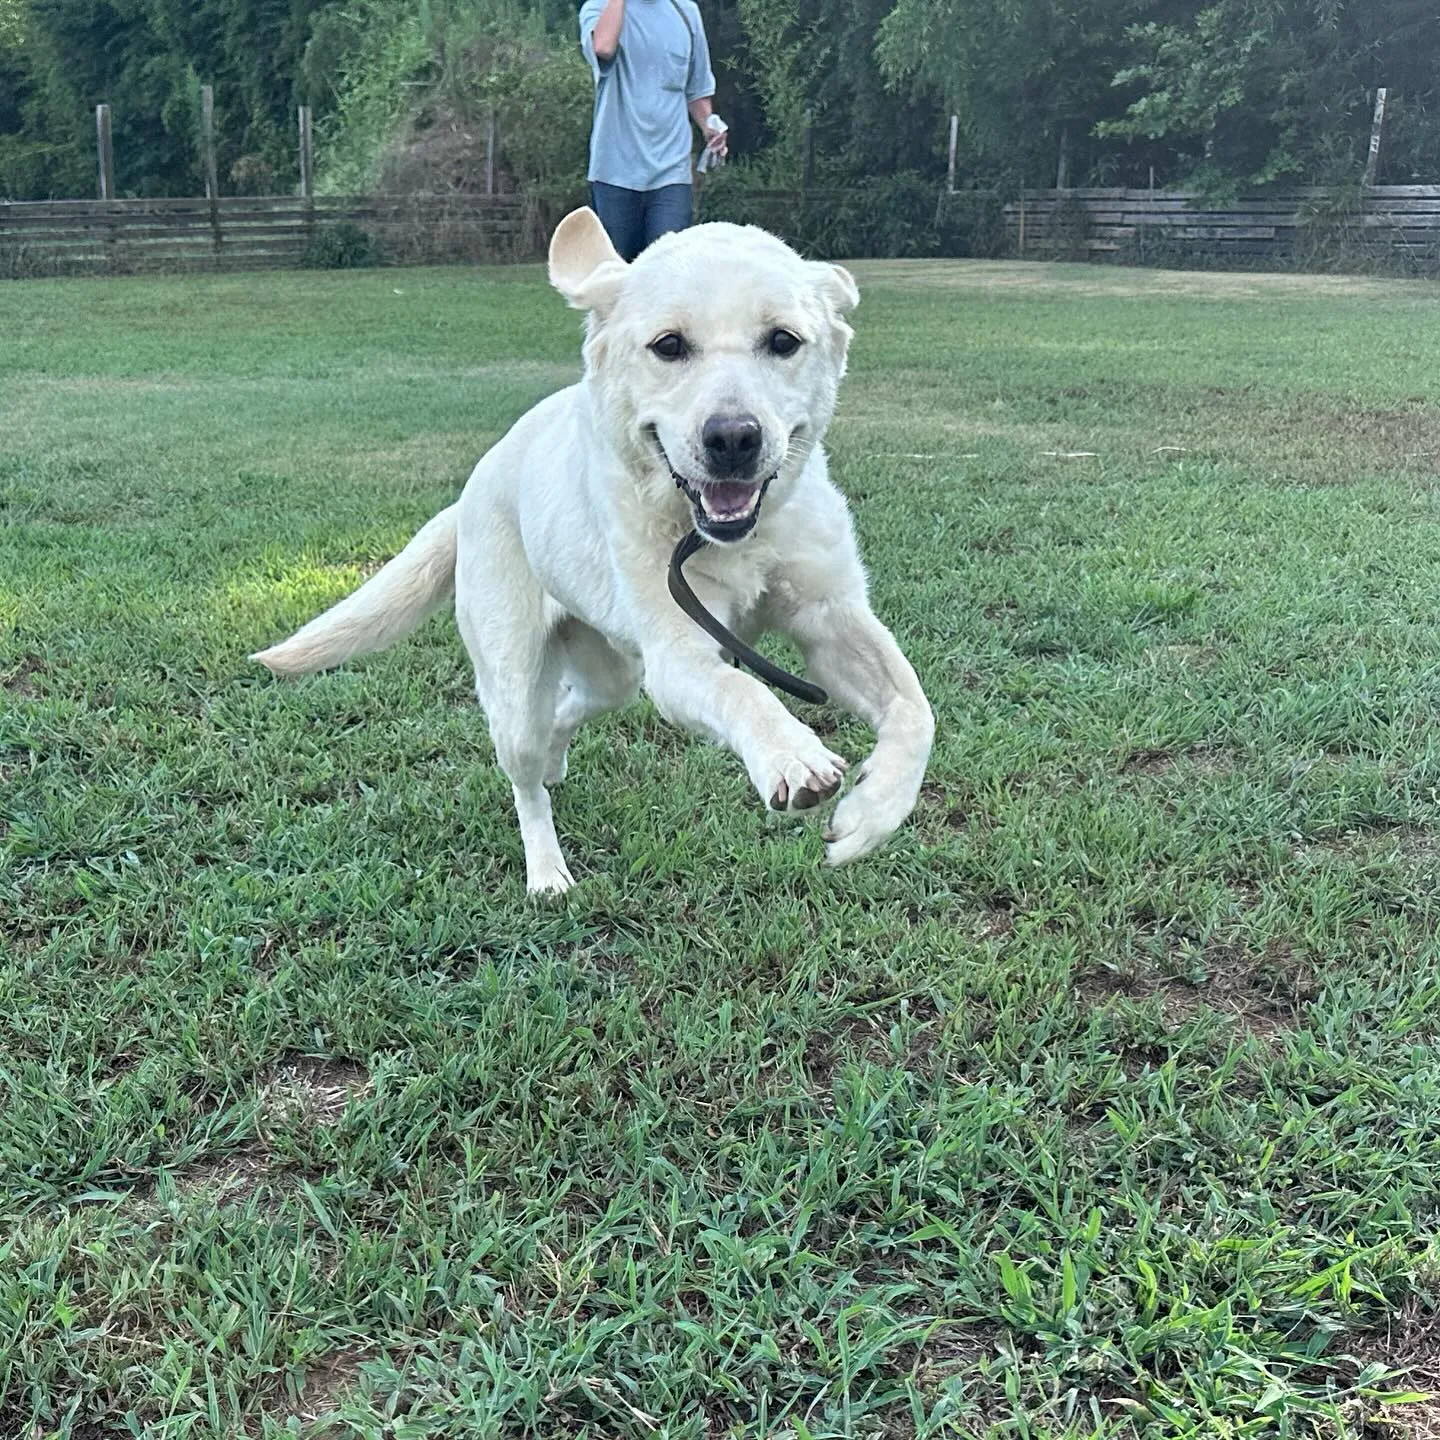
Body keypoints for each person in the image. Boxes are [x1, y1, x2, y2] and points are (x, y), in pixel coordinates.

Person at [578, 0, 729, 262]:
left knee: (669, 273)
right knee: (616, 281)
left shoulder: (686, 13)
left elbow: (697, 91)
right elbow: (603, 47)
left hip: (672, 174)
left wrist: (709, 126)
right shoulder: (598, 8)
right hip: (614, 173)